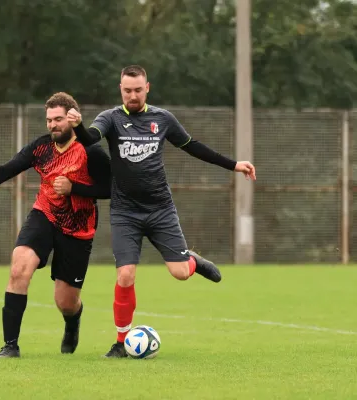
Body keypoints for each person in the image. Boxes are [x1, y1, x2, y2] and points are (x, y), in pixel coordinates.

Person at [69, 65, 257, 358]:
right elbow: (90, 139)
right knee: (125, 276)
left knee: (180, 273)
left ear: (148, 88)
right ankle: (120, 342)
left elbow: (193, 146)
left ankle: (191, 260)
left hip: (160, 210)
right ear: (121, 89)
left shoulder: (162, 119)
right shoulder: (111, 118)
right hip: (125, 213)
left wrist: (234, 165)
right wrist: (78, 126)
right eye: (127, 90)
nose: (132, 95)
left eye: (138, 90)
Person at [0, 92, 111, 358]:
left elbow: (111, 189)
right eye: (49, 120)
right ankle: (10, 346)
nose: (53, 125)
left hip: (78, 228)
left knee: (65, 302)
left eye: (59, 119)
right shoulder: (40, 148)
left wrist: (75, 188)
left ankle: (72, 321)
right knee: (19, 266)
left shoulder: (91, 152)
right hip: (44, 215)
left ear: (73, 118)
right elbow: (5, 170)